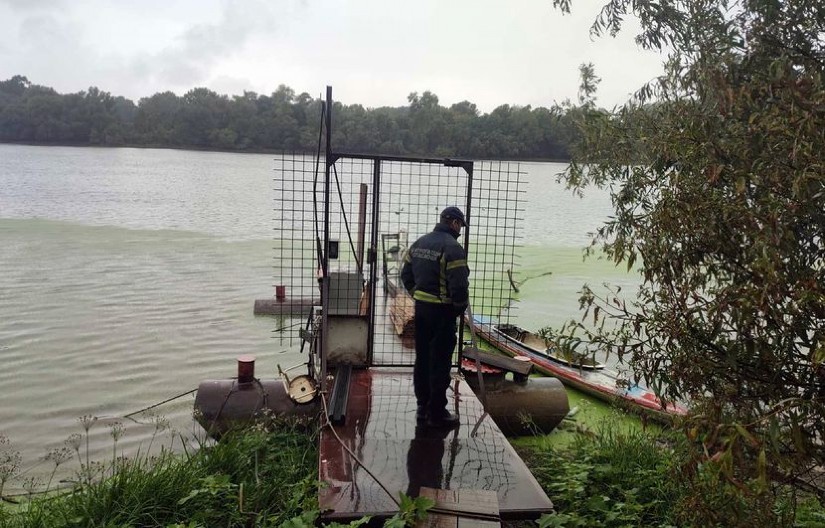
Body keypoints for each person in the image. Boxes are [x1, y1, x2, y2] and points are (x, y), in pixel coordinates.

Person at [400, 206, 470, 428]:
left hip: (422, 311)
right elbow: (459, 286)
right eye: (460, 226)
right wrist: (457, 309)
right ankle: (437, 413)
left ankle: (422, 408)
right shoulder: (453, 248)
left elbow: (405, 275)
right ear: (455, 223)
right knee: (440, 362)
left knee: (422, 359)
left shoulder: (419, 243)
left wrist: (416, 295)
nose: (460, 230)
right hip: (442, 313)